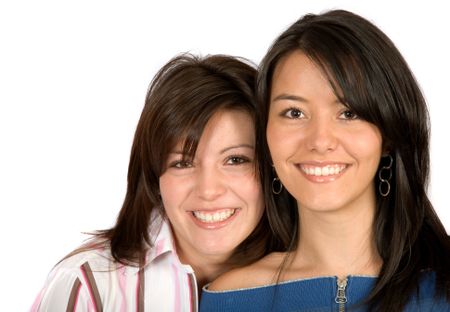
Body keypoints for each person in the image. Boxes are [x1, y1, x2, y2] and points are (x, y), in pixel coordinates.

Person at [200, 9, 450, 311]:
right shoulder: (229, 298)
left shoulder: (442, 286)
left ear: (389, 135)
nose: (320, 141)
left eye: (348, 113)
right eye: (294, 113)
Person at [31, 53, 282, 311]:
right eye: (182, 163)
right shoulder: (86, 285)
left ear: (273, 167)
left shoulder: (309, 282)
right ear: (154, 177)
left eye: (235, 160)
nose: (209, 190)